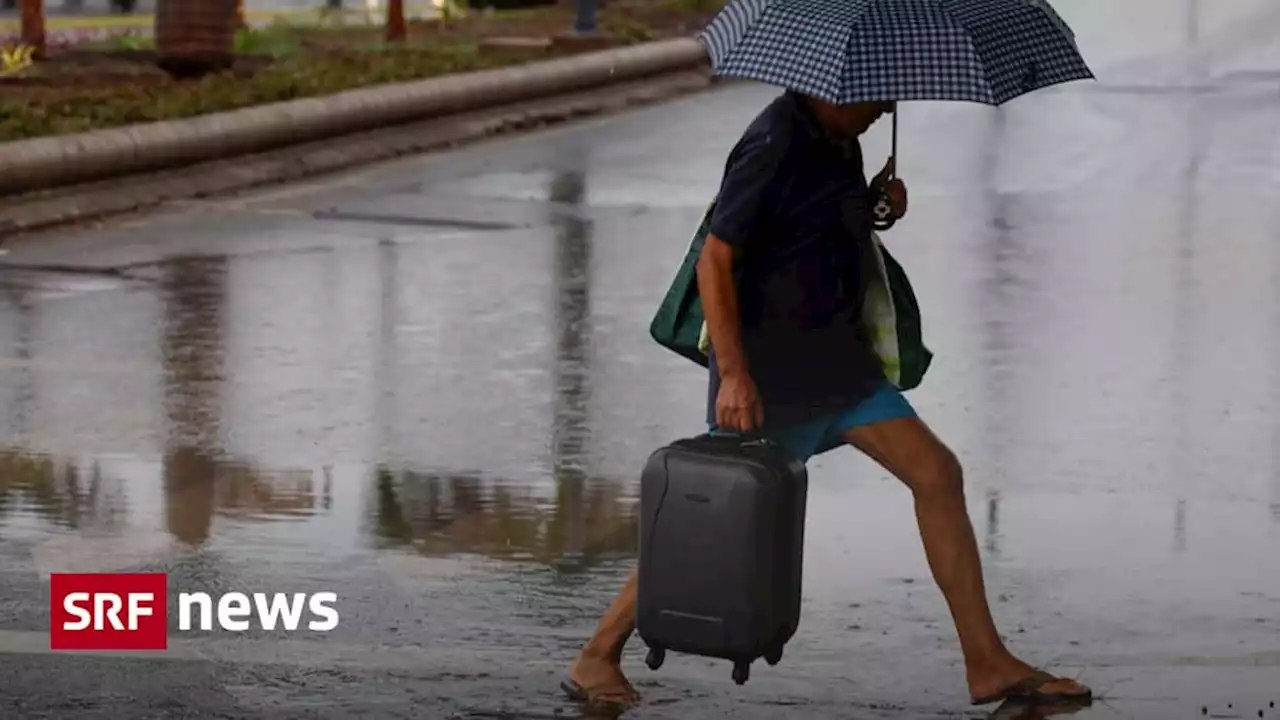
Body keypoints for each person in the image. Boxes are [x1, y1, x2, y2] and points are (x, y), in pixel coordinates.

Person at [561, 90, 1093, 710]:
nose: (886, 109)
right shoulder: (773, 142)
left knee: (937, 475)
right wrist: (733, 375)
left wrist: (871, 206)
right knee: (706, 527)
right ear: (834, 87)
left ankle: (987, 663)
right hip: (773, 381)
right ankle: (597, 654)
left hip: (841, 368)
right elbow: (716, 259)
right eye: (878, 97)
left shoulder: (839, 138)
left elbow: (808, 229)